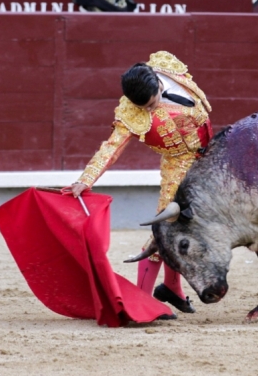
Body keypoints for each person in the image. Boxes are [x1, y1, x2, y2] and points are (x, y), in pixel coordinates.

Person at [69, 51, 212, 314]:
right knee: (164, 231)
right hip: (178, 166)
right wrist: (85, 180)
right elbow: (110, 149)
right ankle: (141, 302)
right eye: (144, 108)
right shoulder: (131, 113)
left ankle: (171, 289)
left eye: (151, 103)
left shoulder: (167, 65)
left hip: (209, 160)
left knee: (180, 230)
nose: (149, 110)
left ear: (158, 83)